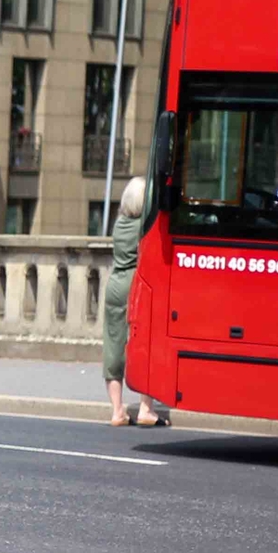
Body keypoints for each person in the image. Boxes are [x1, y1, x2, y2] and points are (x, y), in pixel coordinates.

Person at [104, 176, 168, 428]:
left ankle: (117, 411)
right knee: (144, 344)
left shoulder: (119, 224)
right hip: (136, 286)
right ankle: (145, 409)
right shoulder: (145, 226)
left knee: (113, 346)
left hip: (115, 285)